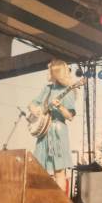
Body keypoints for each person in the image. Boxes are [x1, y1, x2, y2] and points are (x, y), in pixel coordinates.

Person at [28, 59, 76, 192]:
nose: (47, 73)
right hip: (44, 133)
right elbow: (32, 104)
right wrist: (35, 110)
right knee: (40, 169)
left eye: (50, 70)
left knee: (59, 171)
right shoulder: (47, 88)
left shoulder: (68, 90)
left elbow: (70, 116)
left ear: (56, 72)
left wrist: (60, 106)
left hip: (58, 132)